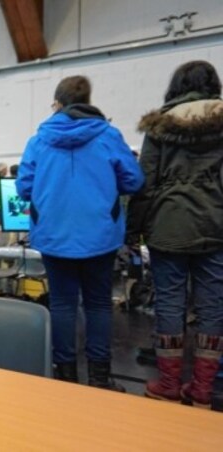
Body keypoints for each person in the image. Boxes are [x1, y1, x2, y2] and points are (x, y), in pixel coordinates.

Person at [16, 75, 144, 390]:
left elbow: (23, 188)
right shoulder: (108, 136)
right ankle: (99, 377)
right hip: (100, 233)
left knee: (62, 304)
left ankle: (66, 375)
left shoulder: (39, 140)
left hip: (53, 234)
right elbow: (134, 181)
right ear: (88, 100)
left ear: (57, 103)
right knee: (98, 304)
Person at [127, 60, 223, 407]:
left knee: (170, 301)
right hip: (216, 227)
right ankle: (201, 390)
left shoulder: (161, 126)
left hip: (168, 225)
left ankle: (169, 383)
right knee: (213, 306)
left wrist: (133, 229)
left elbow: (145, 183)